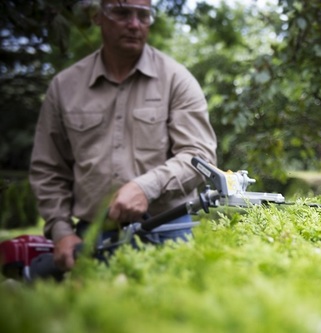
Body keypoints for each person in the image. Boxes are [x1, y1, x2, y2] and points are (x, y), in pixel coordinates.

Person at [29, 0, 217, 272]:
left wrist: (146, 187)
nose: (134, 24)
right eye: (121, 12)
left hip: (168, 230)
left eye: (143, 15)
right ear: (97, 16)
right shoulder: (64, 87)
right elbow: (48, 168)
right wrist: (60, 231)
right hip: (92, 236)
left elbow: (200, 157)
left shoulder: (177, 80)